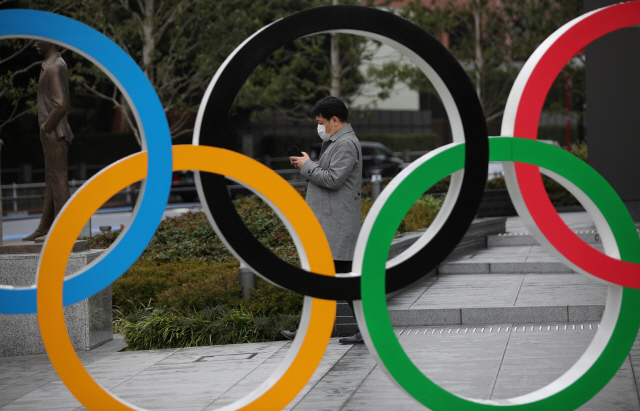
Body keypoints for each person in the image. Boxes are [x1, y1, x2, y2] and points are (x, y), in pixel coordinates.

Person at [283, 96, 363, 344]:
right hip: (332, 225)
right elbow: (330, 173)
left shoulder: (346, 144)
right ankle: (316, 330)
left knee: (341, 281)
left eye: (321, 122)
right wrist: (310, 164)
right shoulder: (337, 141)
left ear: (335, 120)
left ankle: (364, 328)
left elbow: (332, 179)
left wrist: (308, 166)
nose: (319, 127)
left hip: (336, 226)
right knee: (326, 280)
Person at [22, 40, 74, 242]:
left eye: (38, 40)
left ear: (50, 42)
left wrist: (46, 126)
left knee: (59, 179)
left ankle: (63, 230)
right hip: (54, 130)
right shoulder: (56, 63)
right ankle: (45, 227)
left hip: (54, 130)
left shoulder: (53, 67)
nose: (34, 44)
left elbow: (60, 104)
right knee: (52, 180)